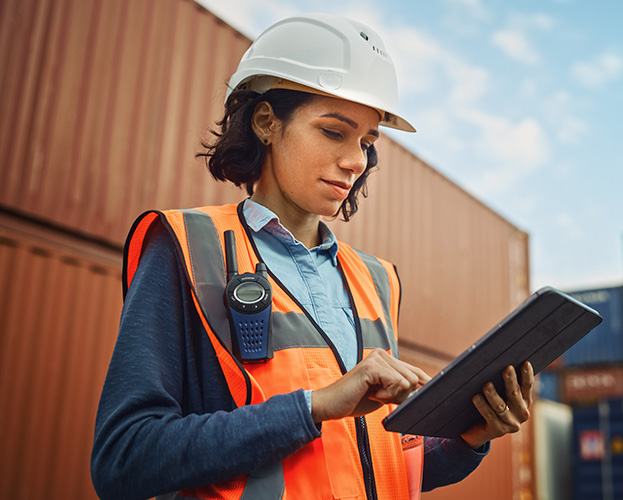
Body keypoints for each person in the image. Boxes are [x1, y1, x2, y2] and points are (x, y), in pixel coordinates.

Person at [91, 12, 533, 500]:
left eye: (367, 142)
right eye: (333, 132)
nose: (356, 161)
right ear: (266, 122)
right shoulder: (187, 247)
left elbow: (372, 463)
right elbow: (123, 459)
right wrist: (314, 407)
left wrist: (471, 436)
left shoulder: (377, 279)